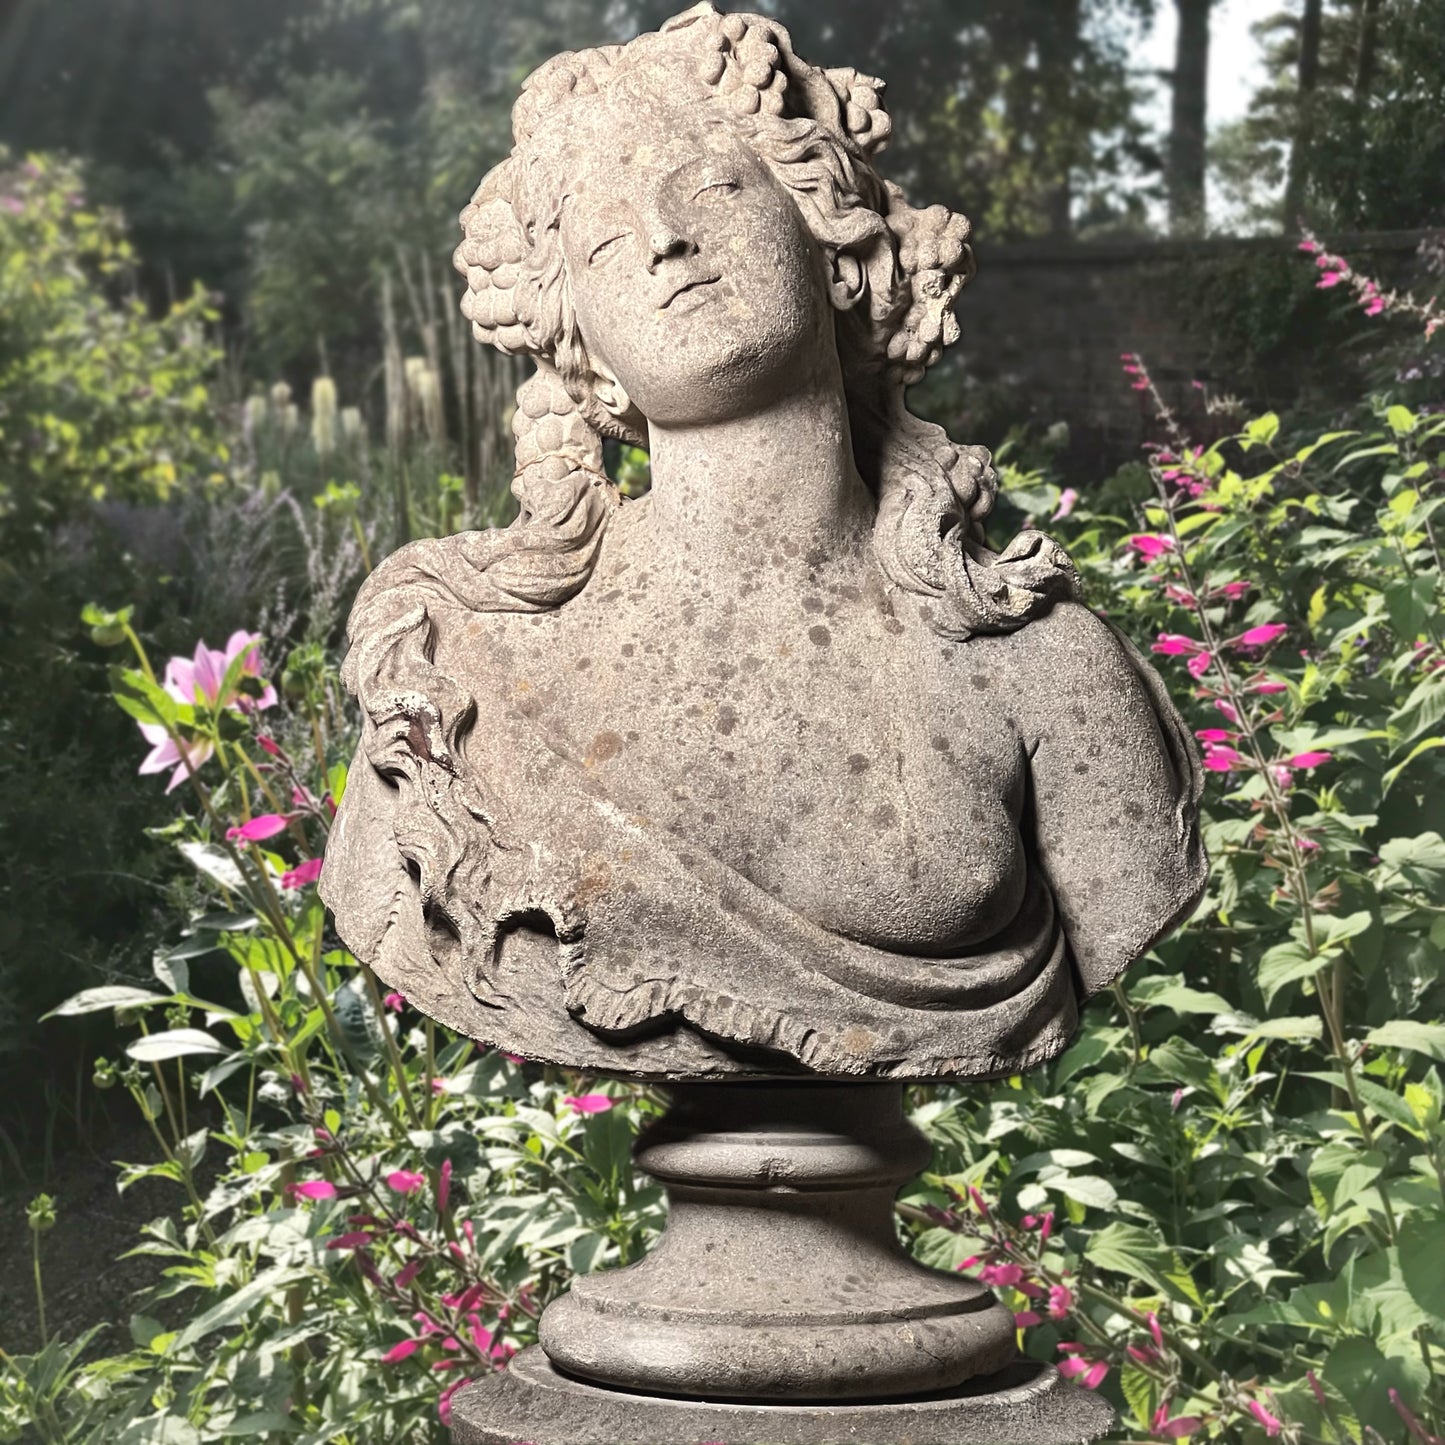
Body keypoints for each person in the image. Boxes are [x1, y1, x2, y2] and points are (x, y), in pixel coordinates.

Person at [322, 3, 1206, 1079]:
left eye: (714, 191)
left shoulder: (1043, 668)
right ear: (580, 346)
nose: (664, 239)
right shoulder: (461, 665)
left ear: (834, 246)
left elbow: (1124, 893)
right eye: (604, 238)